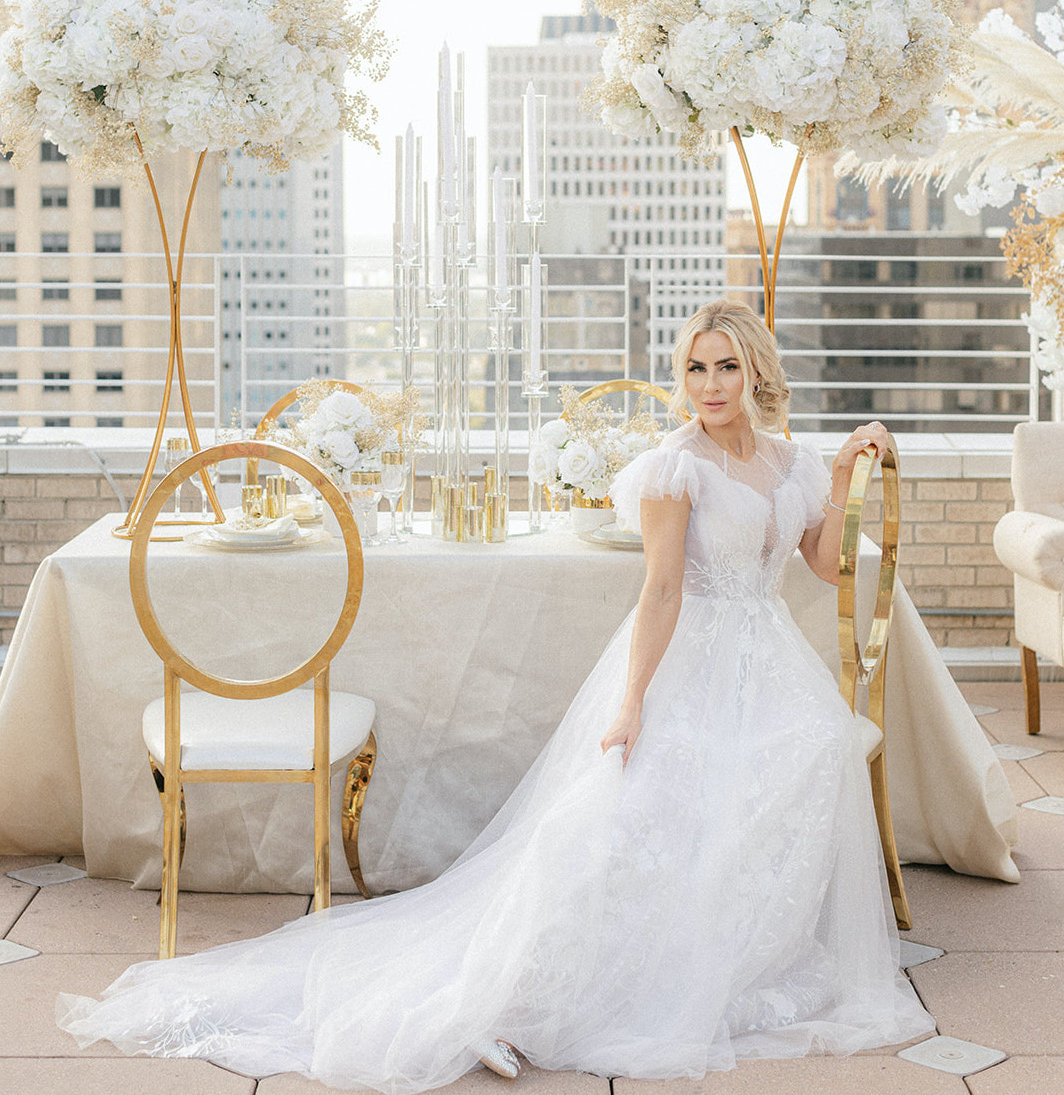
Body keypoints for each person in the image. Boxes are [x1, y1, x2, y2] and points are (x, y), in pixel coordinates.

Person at [57, 299, 934, 1092]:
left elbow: (820, 565)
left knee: (798, 765)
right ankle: (501, 999)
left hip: (767, 655)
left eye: (726, 366)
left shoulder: (791, 459)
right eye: (695, 367)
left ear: (756, 371)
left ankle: (730, 956)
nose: (708, 384)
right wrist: (632, 703)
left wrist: (853, 464)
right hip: (692, 655)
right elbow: (661, 592)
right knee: (621, 823)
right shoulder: (678, 468)